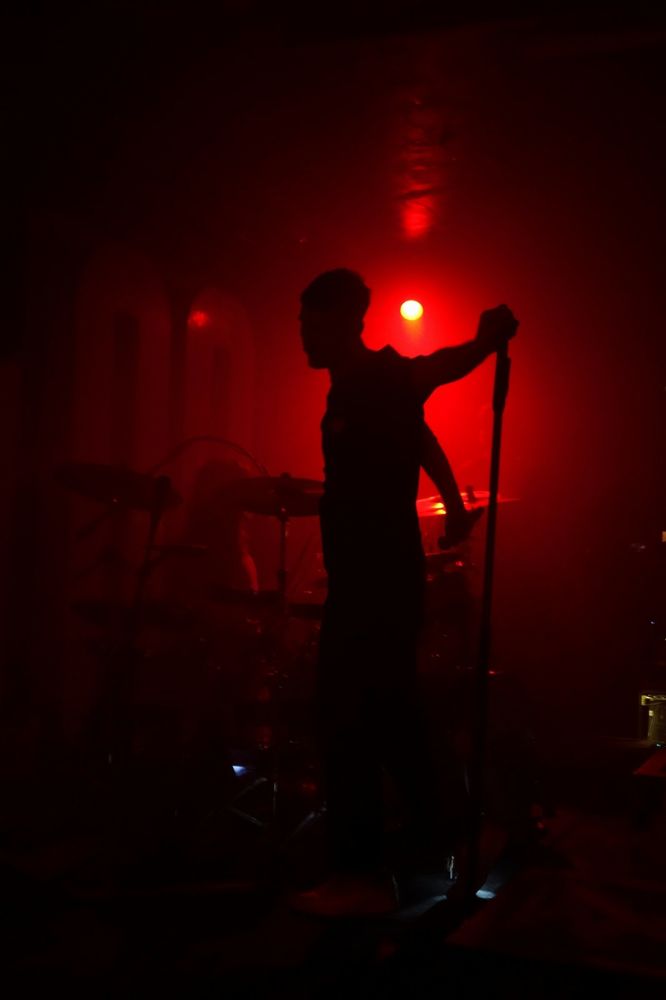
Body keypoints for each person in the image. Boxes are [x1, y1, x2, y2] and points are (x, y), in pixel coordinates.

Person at [292, 268, 518, 916]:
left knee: (351, 718)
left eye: (312, 323)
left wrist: (482, 343)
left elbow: (433, 371)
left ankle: (365, 871)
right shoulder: (351, 393)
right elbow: (418, 434)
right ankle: (455, 834)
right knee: (388, 718)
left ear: (344, 322)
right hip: (367, 579)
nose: (303, 335)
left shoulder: (378, 377)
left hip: (378, 581)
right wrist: (453, 502)